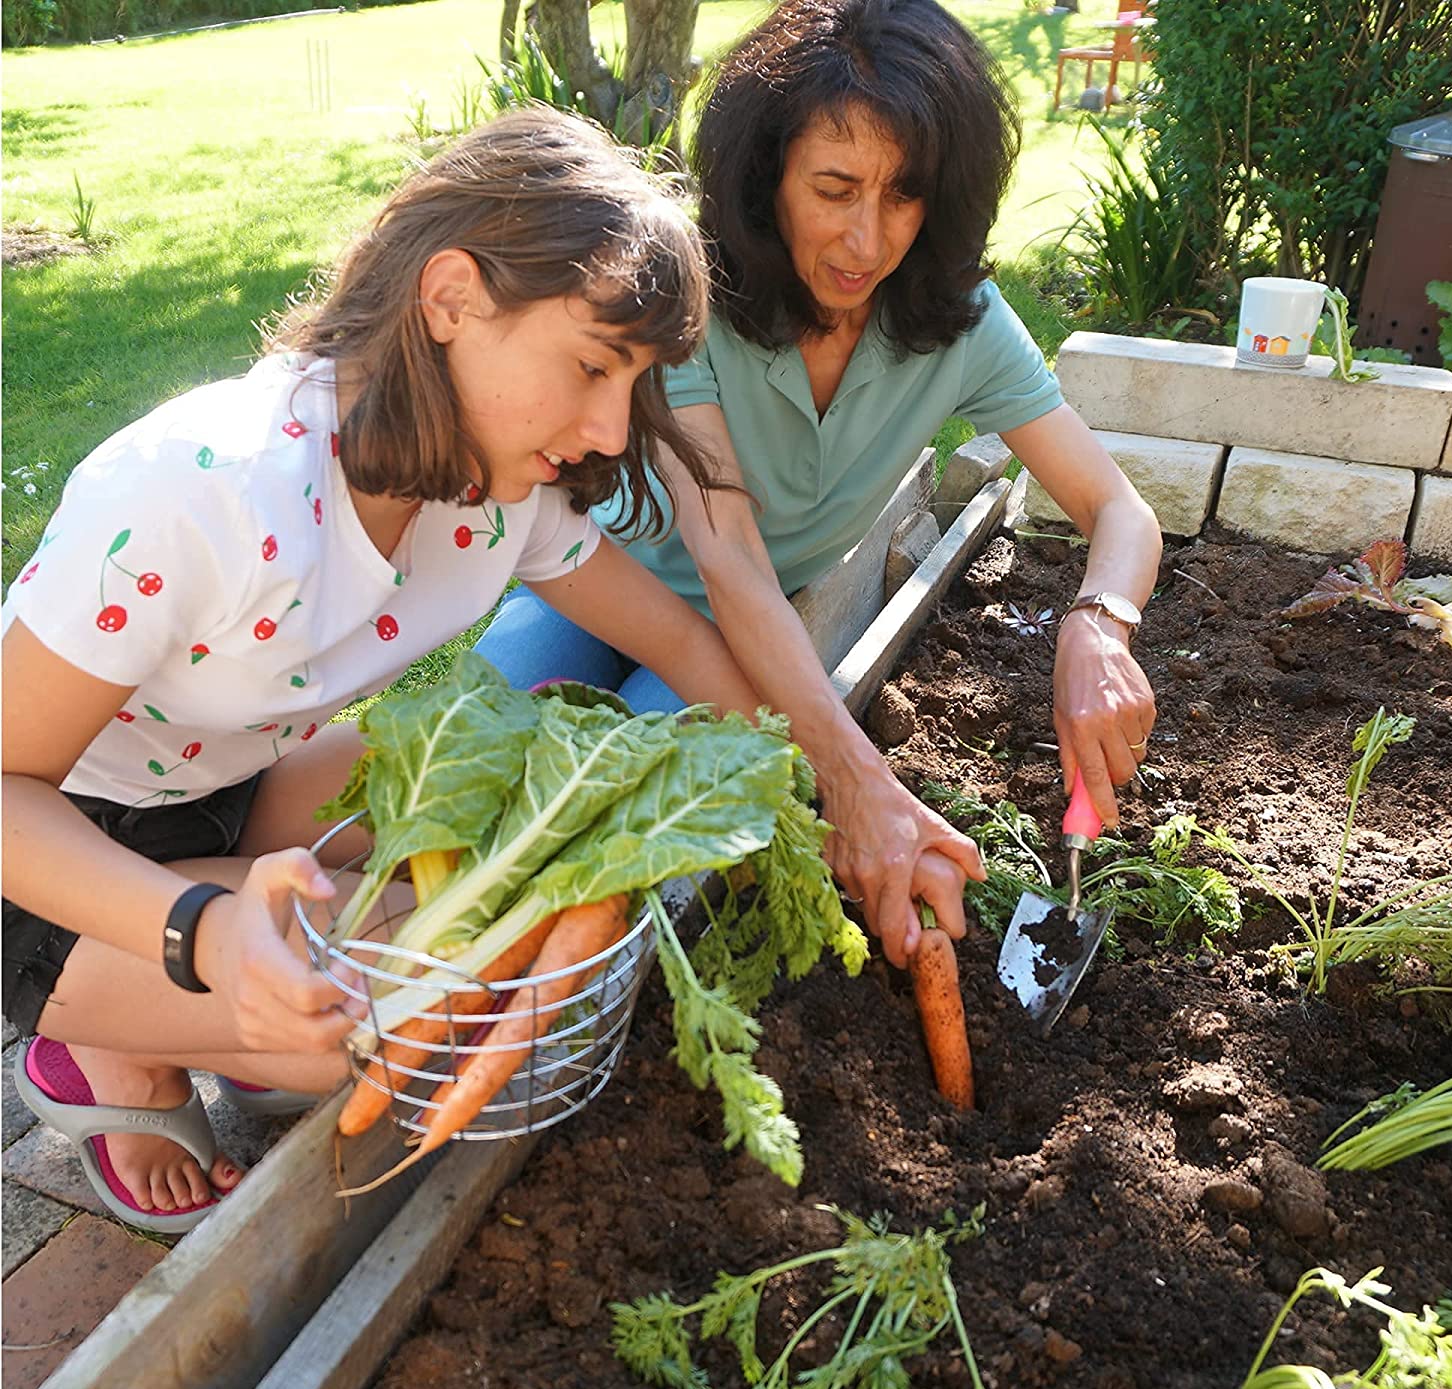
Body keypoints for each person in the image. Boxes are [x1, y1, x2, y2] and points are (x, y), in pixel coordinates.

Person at [0, 109, 765, 1234]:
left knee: (537, 764)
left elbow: (684, 644)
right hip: (53, 866)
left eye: (633, 381)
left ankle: (239, 1013)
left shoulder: (501, 496)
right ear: (451, 299)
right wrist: (204, 931)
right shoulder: (194, 492)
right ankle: (109, 1041)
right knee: (440, 991)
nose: (611, 428)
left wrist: (786, 797)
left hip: (220, 788)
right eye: (593, 365)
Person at [474, 0, 1163, 969]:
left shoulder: (959, 322)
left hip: (728, 638)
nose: (867, 241)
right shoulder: (693, 293)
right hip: (595, 571)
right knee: (473, 732)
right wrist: (852, 777)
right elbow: (731, 555)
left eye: (903, 195)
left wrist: (1096, 623)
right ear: (769, 180)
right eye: (834, 189)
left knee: (582, 809)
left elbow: (1119, 511)